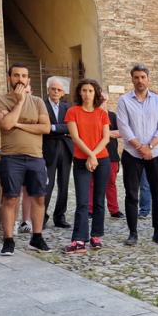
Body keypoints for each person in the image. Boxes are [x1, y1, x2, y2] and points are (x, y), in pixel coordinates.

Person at [0, 65, 52, 256]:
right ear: (9, 77)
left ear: (28, 79)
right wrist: (19, 103)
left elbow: (45, 128)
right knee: (10, 198)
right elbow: (6, 124)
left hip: (36, 156)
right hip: (12, 158)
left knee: (39, 198)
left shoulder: (37, 102)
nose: (20, 78)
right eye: (16, 75)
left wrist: (19, 124)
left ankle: (37, 237)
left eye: (24, 75)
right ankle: (9, 240)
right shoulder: (0, 100)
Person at [117, 64, 158, 246]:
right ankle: (133, 233)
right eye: (136, 77)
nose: (140, 80)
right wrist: (141, 147)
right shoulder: (124, 101)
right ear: (132, 79)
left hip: (156, 153)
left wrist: (150, 146)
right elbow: (123, 127)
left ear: (148, 79)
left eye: (143, 77)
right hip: (132, 154)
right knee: (132, 194)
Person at [63, 79, 110, 254]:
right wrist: (90, 155)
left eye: (91, 90)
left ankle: (96, 235)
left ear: (95, 93)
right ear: (79, 93)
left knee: (99, 200)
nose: (87, 94)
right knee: (82, 201)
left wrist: (94, 155)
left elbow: (105, 138)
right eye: (84, 90)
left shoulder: (102, 113)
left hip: (102, 160)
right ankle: (78, 239)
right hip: (82, 159)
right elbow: (75, 137)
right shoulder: (72, 112)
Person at [41, 76, 72, 229]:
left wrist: (53, 128)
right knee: (48, 184)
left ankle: (60, 217)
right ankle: (42, 216)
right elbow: (42, 127)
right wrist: (61, 129)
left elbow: (70, 127)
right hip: (48, 149)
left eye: (59, 90)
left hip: (66, 149)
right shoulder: (42, 105)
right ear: (48, 90)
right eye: (53, 89)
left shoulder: (67, 107)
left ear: (62, 93)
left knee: (64, 184)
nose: (55, 91)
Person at [89, 92, 122, 218]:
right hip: (94, 153)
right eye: (100, 98)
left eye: (104, 99)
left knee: (111, 183)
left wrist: (104, 133)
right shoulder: (91, 114)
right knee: (91, 183)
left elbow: (122, 132)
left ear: (107, 100)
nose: (102, 101)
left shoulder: (113, 116)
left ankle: (114, 210)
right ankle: (90, 210)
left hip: (111, 155)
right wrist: (107, 134)